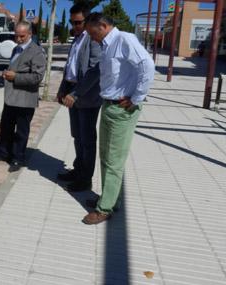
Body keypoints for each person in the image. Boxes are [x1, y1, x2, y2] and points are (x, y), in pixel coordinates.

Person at [82, 12, 155, 225]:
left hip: (122, 109)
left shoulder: (124, 40)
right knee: (105, 156)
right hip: (109, 106)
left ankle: (105, 209)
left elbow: (147, 66)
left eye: (91, 32)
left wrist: (137, 97)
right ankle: (110, 199)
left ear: (103, 26)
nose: (91, 37)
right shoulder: (107, 45)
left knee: (114, 160)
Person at [56, 3, 102, 192]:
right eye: (72, 22)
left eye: (78, 23)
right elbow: (70, 68)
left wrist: (75, 94)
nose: (74, 26)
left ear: (87, 20)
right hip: (72, 92)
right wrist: (62, 89)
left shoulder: (92, 40)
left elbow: (94, 71)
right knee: (77, 136)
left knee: (87, 139)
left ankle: (85, 179)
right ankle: (78, 169)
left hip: (87, 96)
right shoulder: (76, 39)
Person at [0, 21, 46, 172]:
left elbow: (37, 77)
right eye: (16, 36)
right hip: (11, 97)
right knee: (6, 126)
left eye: (22, 36)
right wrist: (7, 73)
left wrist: (15, 77)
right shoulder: (16, 49)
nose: (18, 39)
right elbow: (14, 68)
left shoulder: (36, 51)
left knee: (21, 131)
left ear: (30, 34)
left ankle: (18, 158)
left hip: (25, 98)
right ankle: (4, 153)